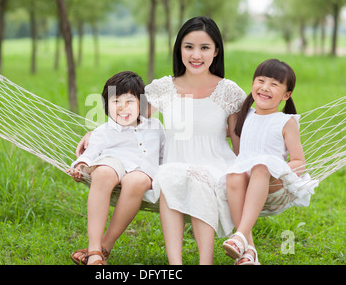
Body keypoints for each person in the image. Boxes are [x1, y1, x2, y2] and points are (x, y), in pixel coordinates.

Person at [77, 16, 246, 264]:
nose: (195, 55)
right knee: (172, 178)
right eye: (188, 47)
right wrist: (95, 133)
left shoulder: (229, 91)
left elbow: (239, 142)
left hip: (216, 165)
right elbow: (128, 118)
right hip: (172, 166)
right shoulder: (164, 88)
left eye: (204, 47)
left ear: (216, 51)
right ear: (179, 49)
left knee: (199, 181)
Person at [221, 59, 318, 265]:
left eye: (274, 84)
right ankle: (249, 252)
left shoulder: (286, 121)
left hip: (273, 181)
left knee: (261, 167)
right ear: (253, 83)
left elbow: (299, 162)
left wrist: (278, 169)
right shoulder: (244, 116)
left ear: (286, 95)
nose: (265, 88)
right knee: (234, 175)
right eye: (261, 81)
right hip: (244, 180)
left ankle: (239, 236)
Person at [67, 71, 165, 265]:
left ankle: (105, 246)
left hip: (143, 173)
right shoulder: (104, 131)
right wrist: (80, 165)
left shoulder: (156, 127)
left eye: (130, 101)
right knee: (103, 172)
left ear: (142, 103)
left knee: (136, 180)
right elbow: (90, 153)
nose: (122, 107)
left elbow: (165, 156)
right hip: (113, 164)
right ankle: (94, 248)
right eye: (116, 101)